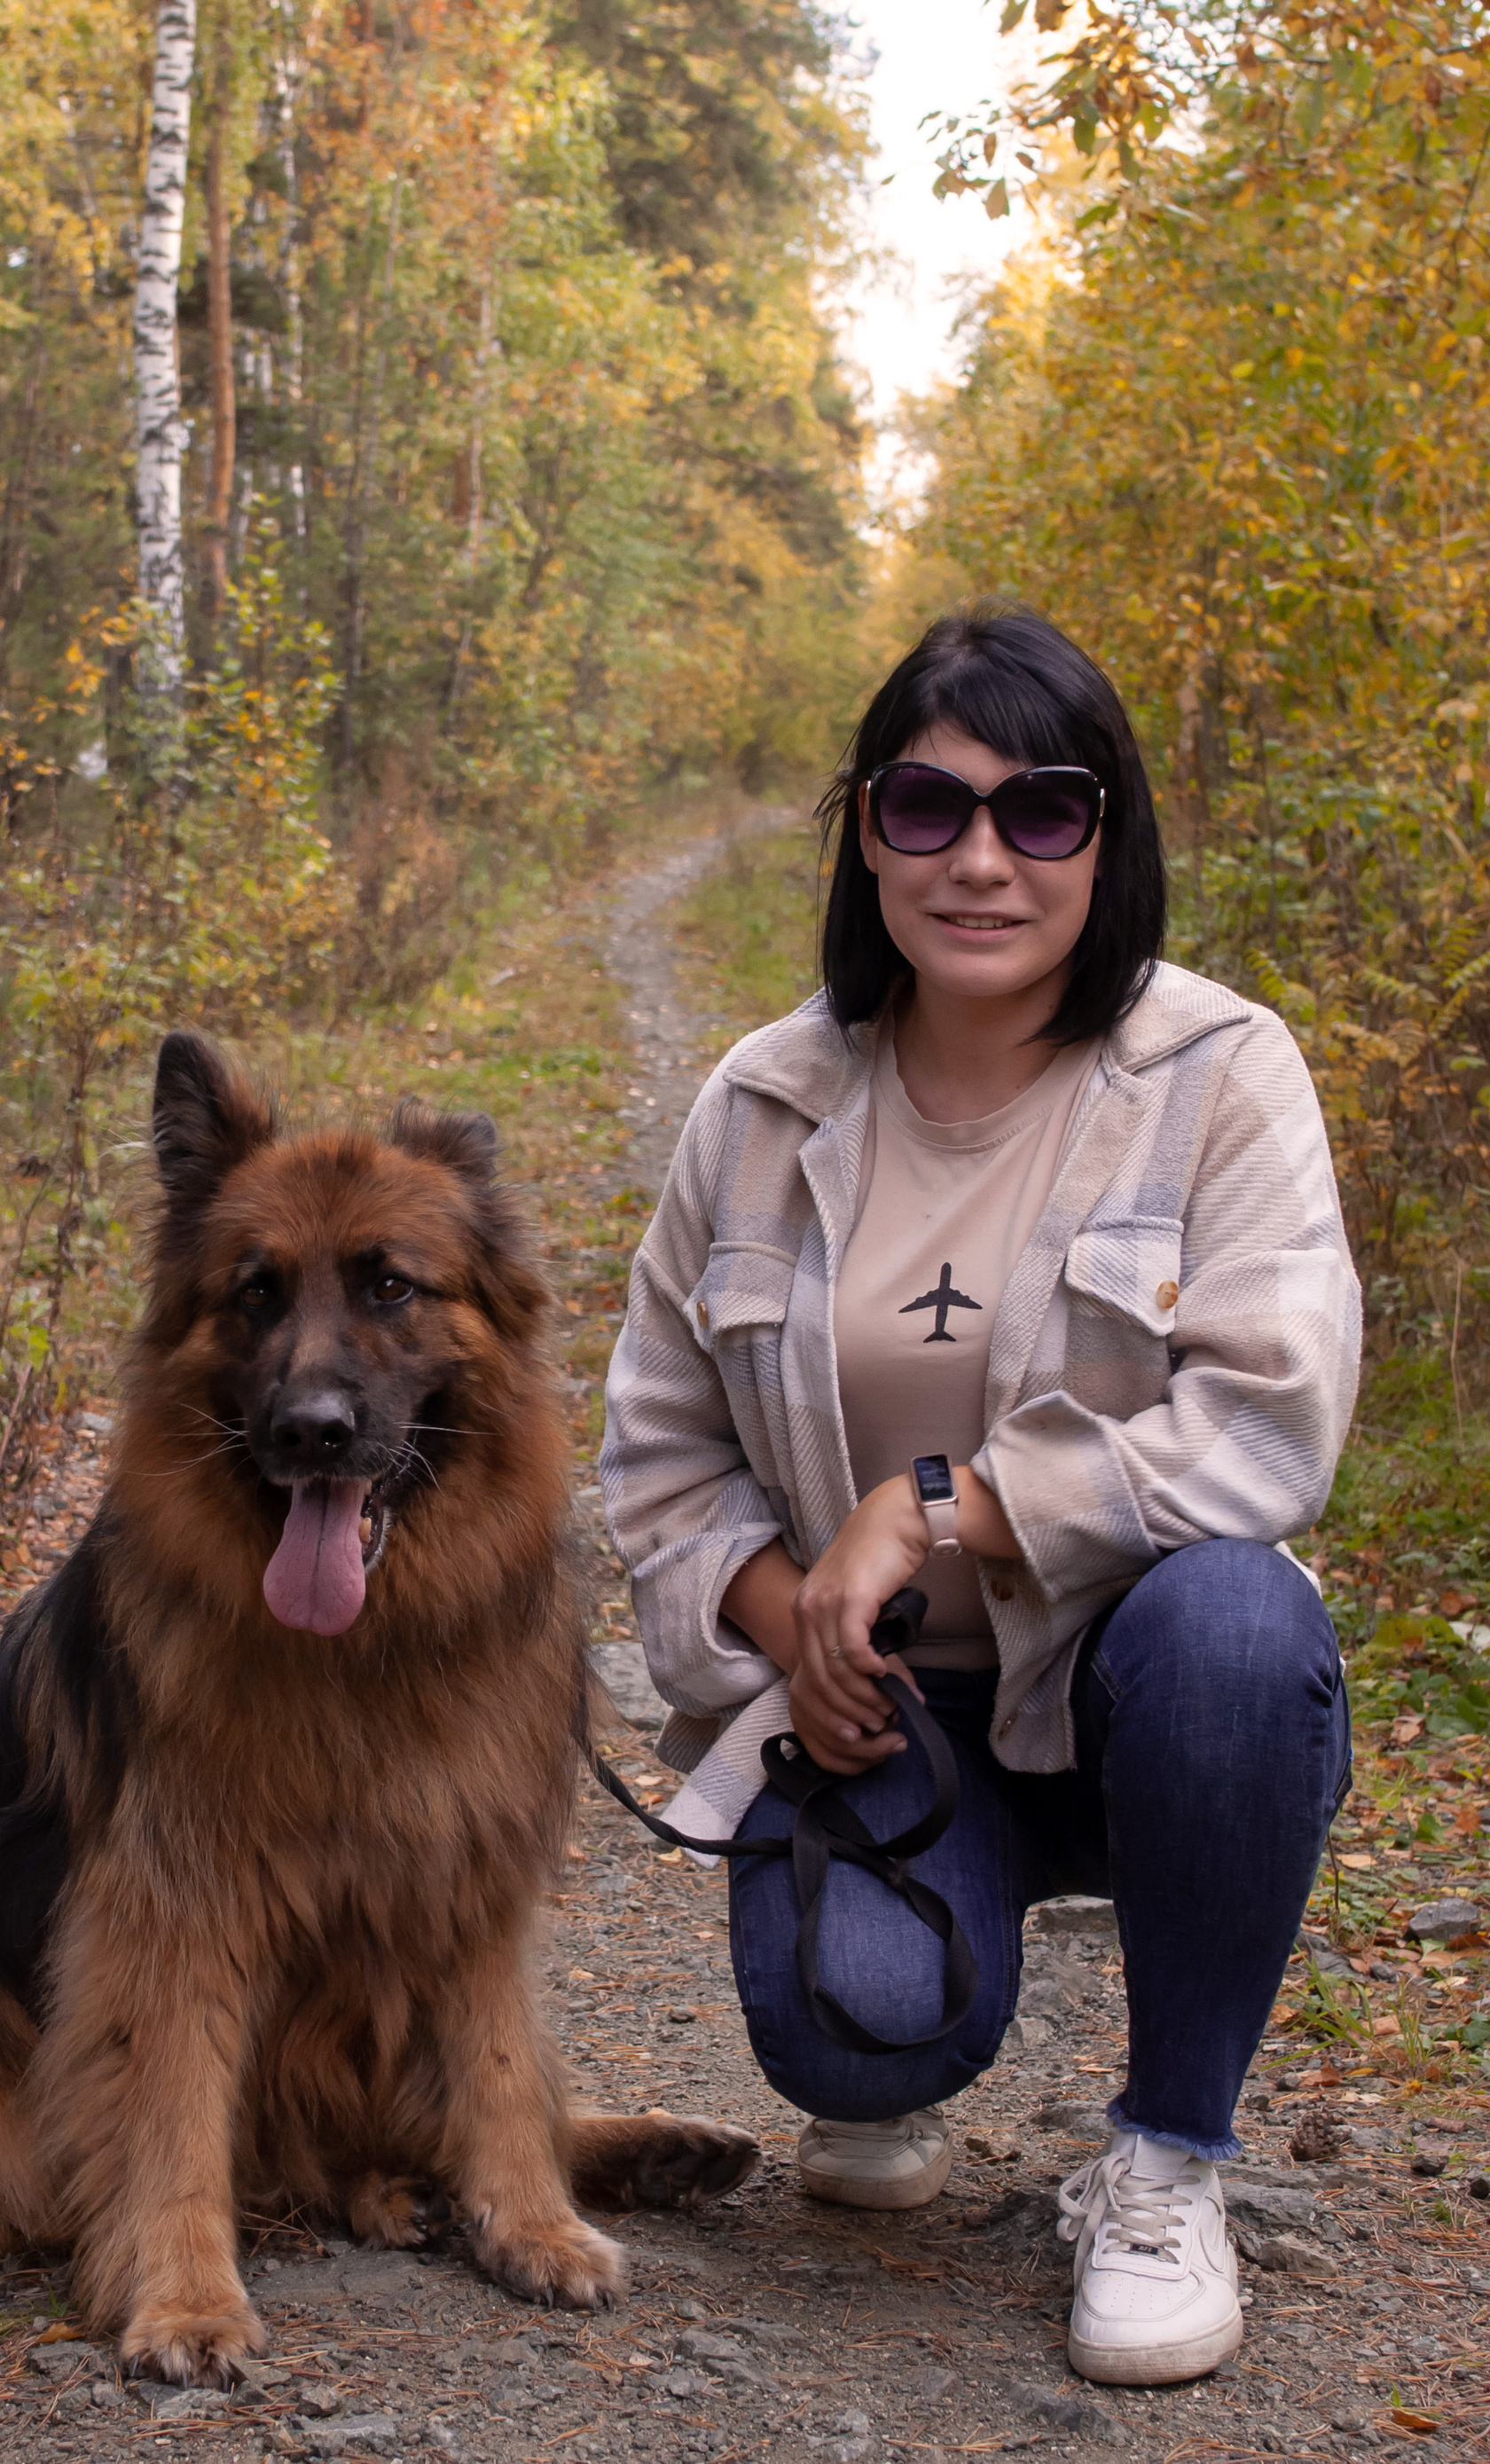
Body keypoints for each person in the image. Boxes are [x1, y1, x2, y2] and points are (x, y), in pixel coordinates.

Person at [600, 602, 1359, 2389]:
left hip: (1136, 1692)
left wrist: (938, 1505)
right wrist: (792, 1623)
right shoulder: (762, 1104)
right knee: (852, 2043)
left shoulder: (1215, 1075)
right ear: (866, 833)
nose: (981, 860)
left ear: (1109, 838)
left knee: (1238, 1629)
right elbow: (658, 1456)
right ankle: (905, 2029)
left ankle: (1166, 2160)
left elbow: (1268, 1422)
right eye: (927, 807)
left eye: (1042, 809)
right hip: (891, 1722)